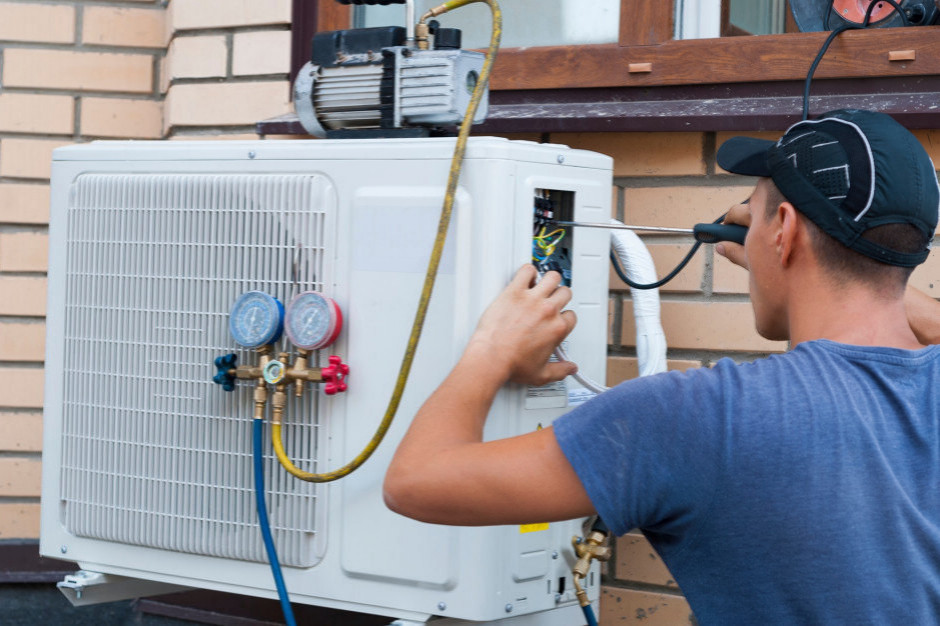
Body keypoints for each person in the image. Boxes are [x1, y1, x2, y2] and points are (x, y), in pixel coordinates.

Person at [383, 109, 940, 622]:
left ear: (785, 229)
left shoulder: (699, 417)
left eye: (758, 212)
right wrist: (824, 264)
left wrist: (492, 349)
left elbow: (415, 482)